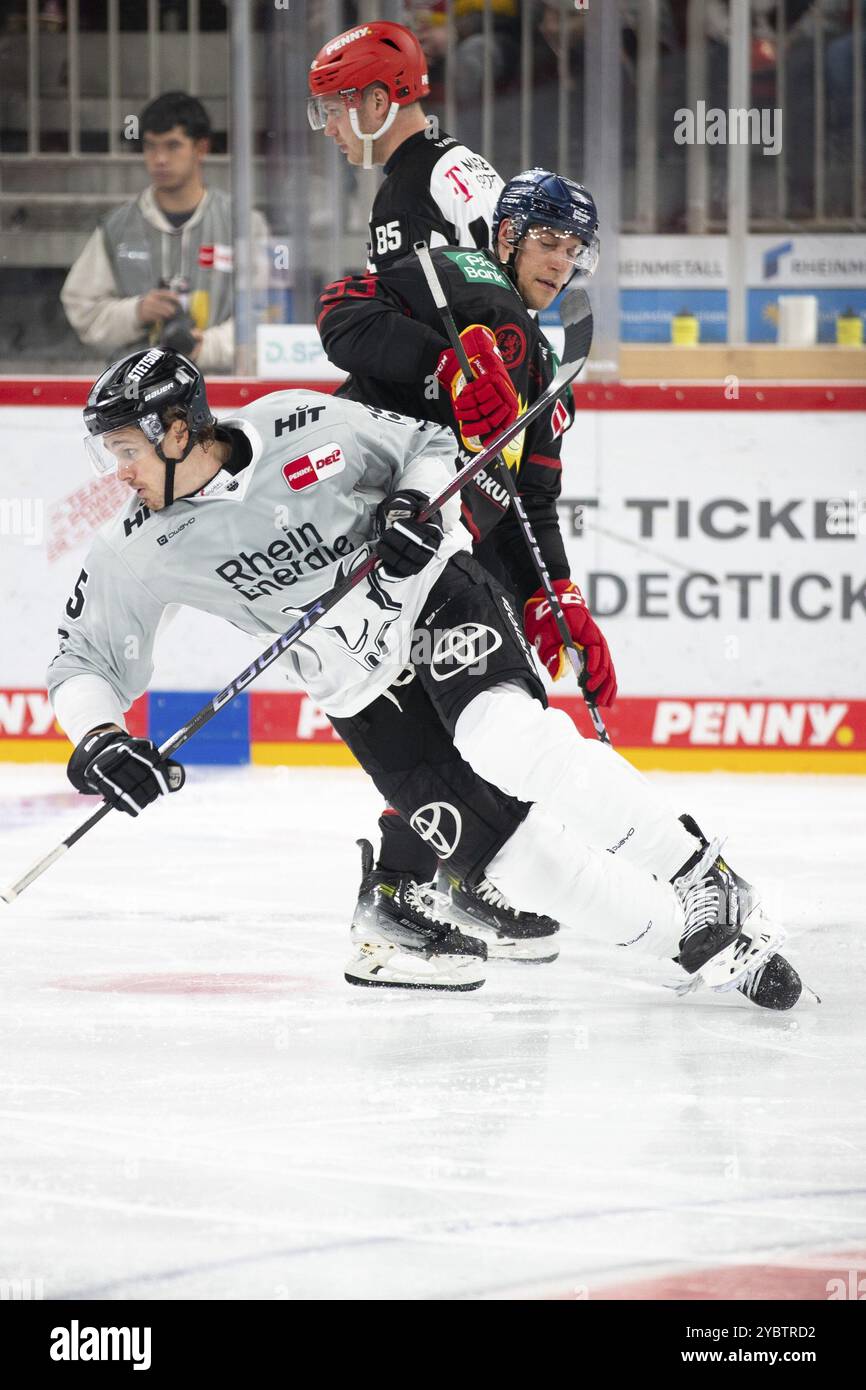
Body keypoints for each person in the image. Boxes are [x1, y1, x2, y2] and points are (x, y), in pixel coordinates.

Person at [46, 347, 802, 1012]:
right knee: (516, 865)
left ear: (179, 431)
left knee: (504, 739)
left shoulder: (301, 427)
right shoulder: (133, 550)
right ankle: (697, 944)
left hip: (430, 599)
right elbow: (82, 660)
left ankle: (703, 874)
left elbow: (428, 444)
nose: (117, 474)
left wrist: (416, 507)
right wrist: (102, 740)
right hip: (357, 689)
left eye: (125, 449)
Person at [318, 168, 602, 962]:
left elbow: (526, 506)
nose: (561, 261)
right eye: (548, 240)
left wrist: (556, 596)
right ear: (506, 236)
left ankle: (443, 872)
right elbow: (341, 312)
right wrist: (439, 367)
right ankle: (417, 885)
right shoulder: (460, 275)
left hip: (434, 557)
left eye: (575, 249)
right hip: (363, 531)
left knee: (499, 698)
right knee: (458, 711)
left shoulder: (544, 376)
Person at [60, 91, 268, 372]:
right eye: (150, 147)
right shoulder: (117, 227)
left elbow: (265, 312)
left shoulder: (243, 224)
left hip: (222, 389)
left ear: (201, 148)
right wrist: (136, 312)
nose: (159, 159)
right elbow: (82, 309)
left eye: (173, 146)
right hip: (134, 395)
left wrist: (204, 347)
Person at [307, 19, 502, 271]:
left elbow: (407, 308)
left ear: (378, 102)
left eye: (334, 111)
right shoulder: (469, 162)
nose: (329, 129)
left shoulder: (406, 193)